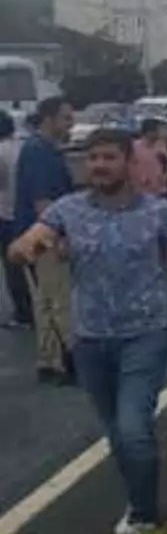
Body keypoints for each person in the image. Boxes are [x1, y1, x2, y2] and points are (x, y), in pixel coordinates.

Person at [8, 128, 167, 534]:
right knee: (118, 433)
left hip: (145, 335)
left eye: (108, 158)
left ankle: (145, 517)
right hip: (90, 340)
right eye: (92, 158)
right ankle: (139, 502)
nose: (98, 165)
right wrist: (27, 245)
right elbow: (25, 241)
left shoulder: (158, 213)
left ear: (128, 164)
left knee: (134, 428)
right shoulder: (69, 210)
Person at [14, 96, 76, 384]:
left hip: (35, 235)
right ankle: (66, 363)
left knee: (45, 301)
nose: (71, 123)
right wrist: (59, 237)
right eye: (66, 118)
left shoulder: (42, 149)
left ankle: (49, 360)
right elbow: (43, 203)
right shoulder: (39, 152)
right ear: (49, 119)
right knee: (57, 301)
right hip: (44, 237)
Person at [0, 111, 34, 330]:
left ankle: (23, 314)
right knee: (34, 265)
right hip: (26, 213)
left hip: (5, 214)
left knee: (13, 266)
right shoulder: (22, 146)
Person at [131, 118, 167, 198]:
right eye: (158, 130)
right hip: (143, 194)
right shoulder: (134, 148)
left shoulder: (160, 146)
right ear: (150, 132)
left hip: (160, 192)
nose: (160, 133)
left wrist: (165, 177)